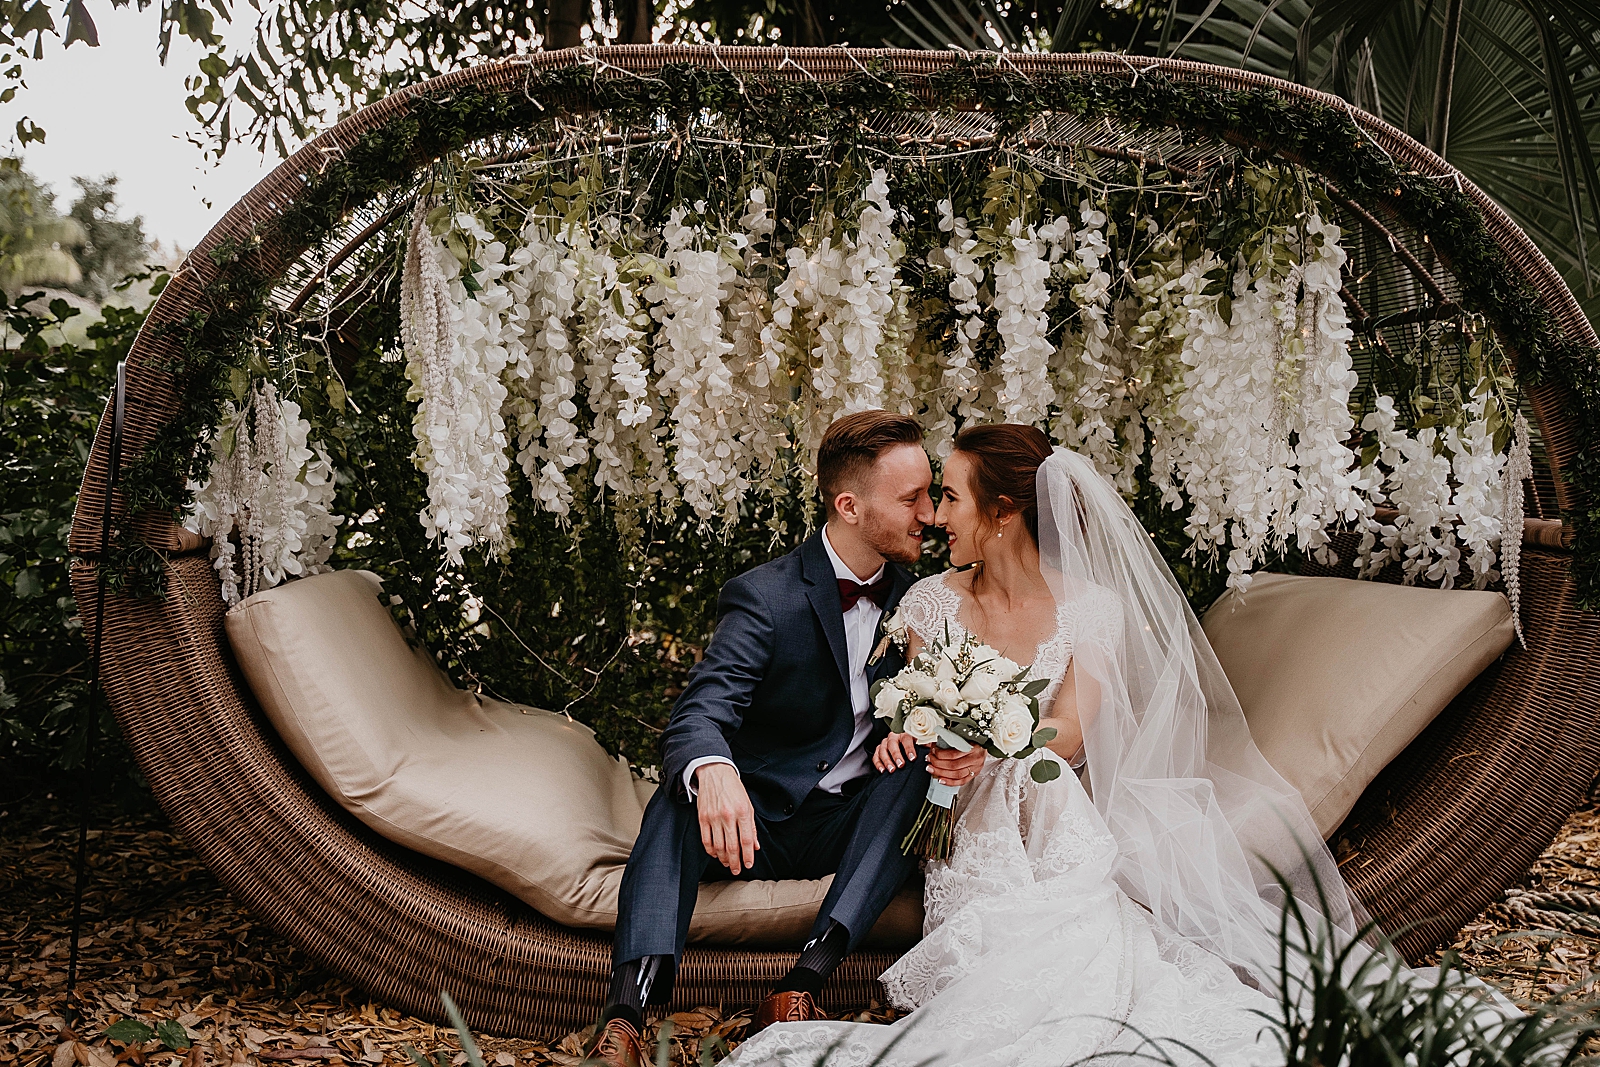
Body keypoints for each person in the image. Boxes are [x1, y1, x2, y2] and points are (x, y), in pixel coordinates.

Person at [724, 424, 1368, 1066]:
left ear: (1002, 513)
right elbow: (915, 710)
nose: (934, 516)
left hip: (1043, 794)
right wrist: (924, 734)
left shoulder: (1093, 609)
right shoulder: (927, 603)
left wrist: (993, 738)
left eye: (949, 498)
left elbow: (1070, 733)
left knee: (1067, 861)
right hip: (957, 806)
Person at [585, 410, 986, 1067]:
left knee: (919, 760)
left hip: (852, 823)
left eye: (930, 494)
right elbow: (701, 711)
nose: (930, 514)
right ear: (849, 505)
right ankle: (626, 1014)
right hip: (755, 822)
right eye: (911, 498)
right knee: (680, 792)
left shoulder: (925, 601)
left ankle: (802, 983)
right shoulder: (766, 597)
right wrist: (715, 769)